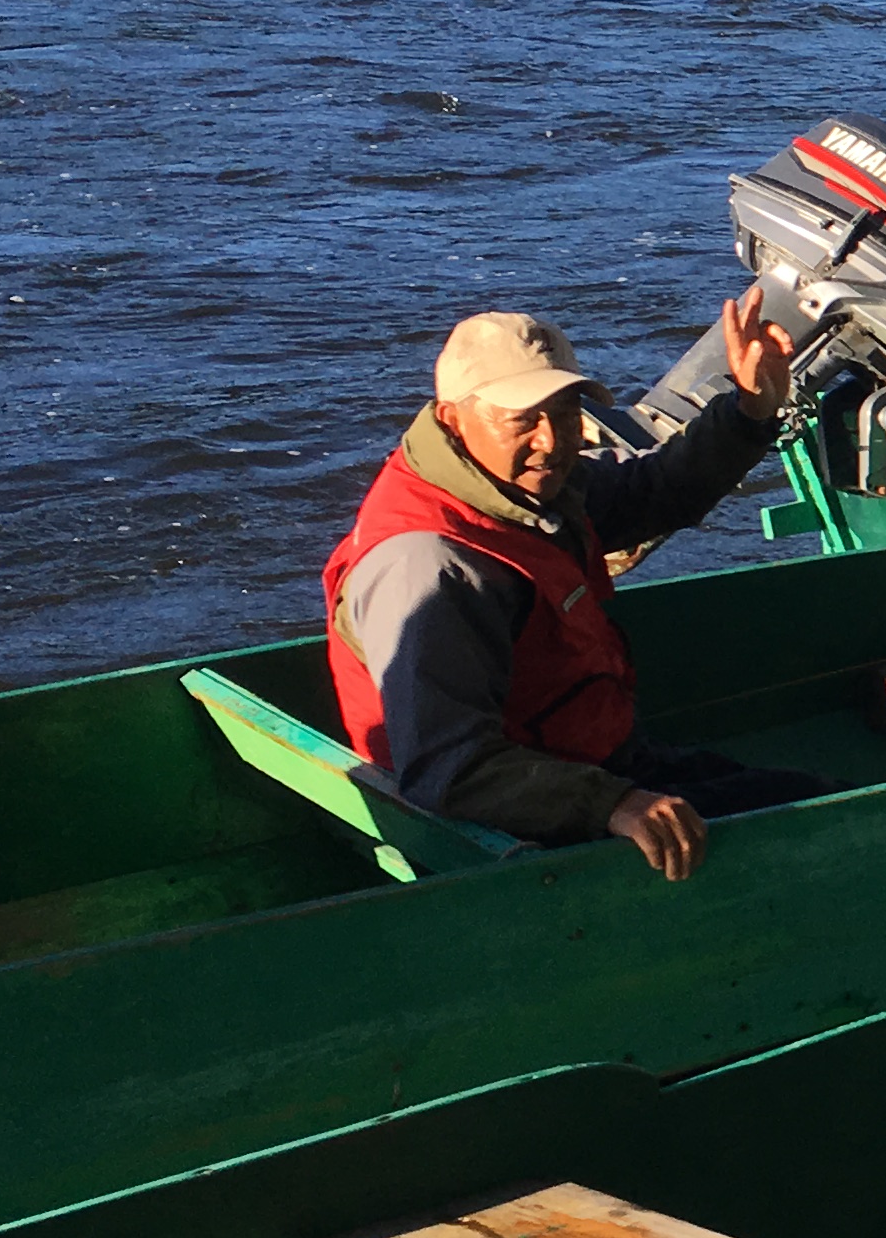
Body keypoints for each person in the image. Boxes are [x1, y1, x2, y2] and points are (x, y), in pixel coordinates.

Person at [325, 297, 822, 879]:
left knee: (806, 792)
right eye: (522, 420)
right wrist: (612, 804)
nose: (552, 440)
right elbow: (448, 768)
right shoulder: (429, 566)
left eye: (564, 412)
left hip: (595, 761)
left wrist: (750, 411)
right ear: (452, 419)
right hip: (517, 826)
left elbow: (651, 492)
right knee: (822, 819)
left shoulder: (517, 487)